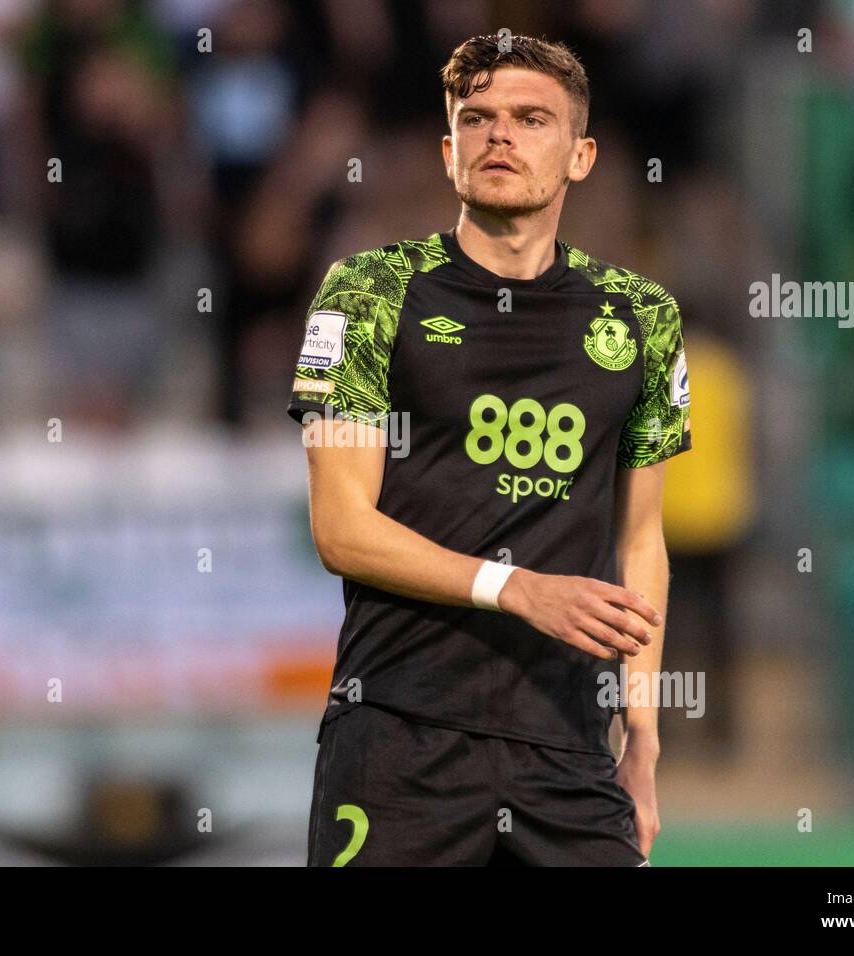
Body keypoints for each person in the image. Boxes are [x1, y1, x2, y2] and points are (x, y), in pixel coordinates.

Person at [286, 34, 691, 866]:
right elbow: (340, 529)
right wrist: (520, 589)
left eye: (530, 118)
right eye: (477, 119)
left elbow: (641, 540)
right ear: (449, 151)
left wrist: (642, 735)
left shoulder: (643, 316)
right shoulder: (366, 292)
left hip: (570, 752)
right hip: (399, 736)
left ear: (580, 156)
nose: (499, 135)